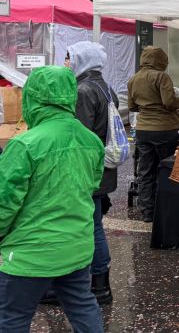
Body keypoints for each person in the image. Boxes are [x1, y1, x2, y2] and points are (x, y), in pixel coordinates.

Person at [0, 66, 105, 332]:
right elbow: (92, 184)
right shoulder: (91, 140)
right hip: (76, 247)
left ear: (32, 97)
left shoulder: (24, 145)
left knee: (12, 318)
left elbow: (4, 203)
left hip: (28, 254)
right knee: (83, 306)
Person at [68, 41, 119, 304]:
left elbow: (81, 134)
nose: (68, 62)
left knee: (93, 228)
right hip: (101, 167)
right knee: (94, 224)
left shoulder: (84, 90)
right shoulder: (105, 87)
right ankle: (99, 284)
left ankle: (99, 286)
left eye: (71, 56)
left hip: (89, 169)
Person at [127, 46, 179, 222]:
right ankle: (167, 209)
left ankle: (147, 212)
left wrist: (147, 105)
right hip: (164, 129)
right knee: (168, 168)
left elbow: (132, 107)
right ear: (161, 60)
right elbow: (169, 102)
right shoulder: (161, 77)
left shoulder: (133, 79)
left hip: (143, 130)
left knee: (145, 171)